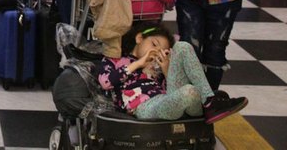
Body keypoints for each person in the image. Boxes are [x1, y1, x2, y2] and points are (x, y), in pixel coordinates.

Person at [98, 22, 248, 123]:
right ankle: (209, 101)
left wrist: (165, 68)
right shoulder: (116, 60)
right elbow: (105, 83)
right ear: (139, 38)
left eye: (164, 51)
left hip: (170, 100)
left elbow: (171, 89)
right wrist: (138, 63)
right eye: (154, 44)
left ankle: (209, 103)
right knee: (189, 91)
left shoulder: (158, 66)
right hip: (144, 108)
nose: (157, 52)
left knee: (182, 46)